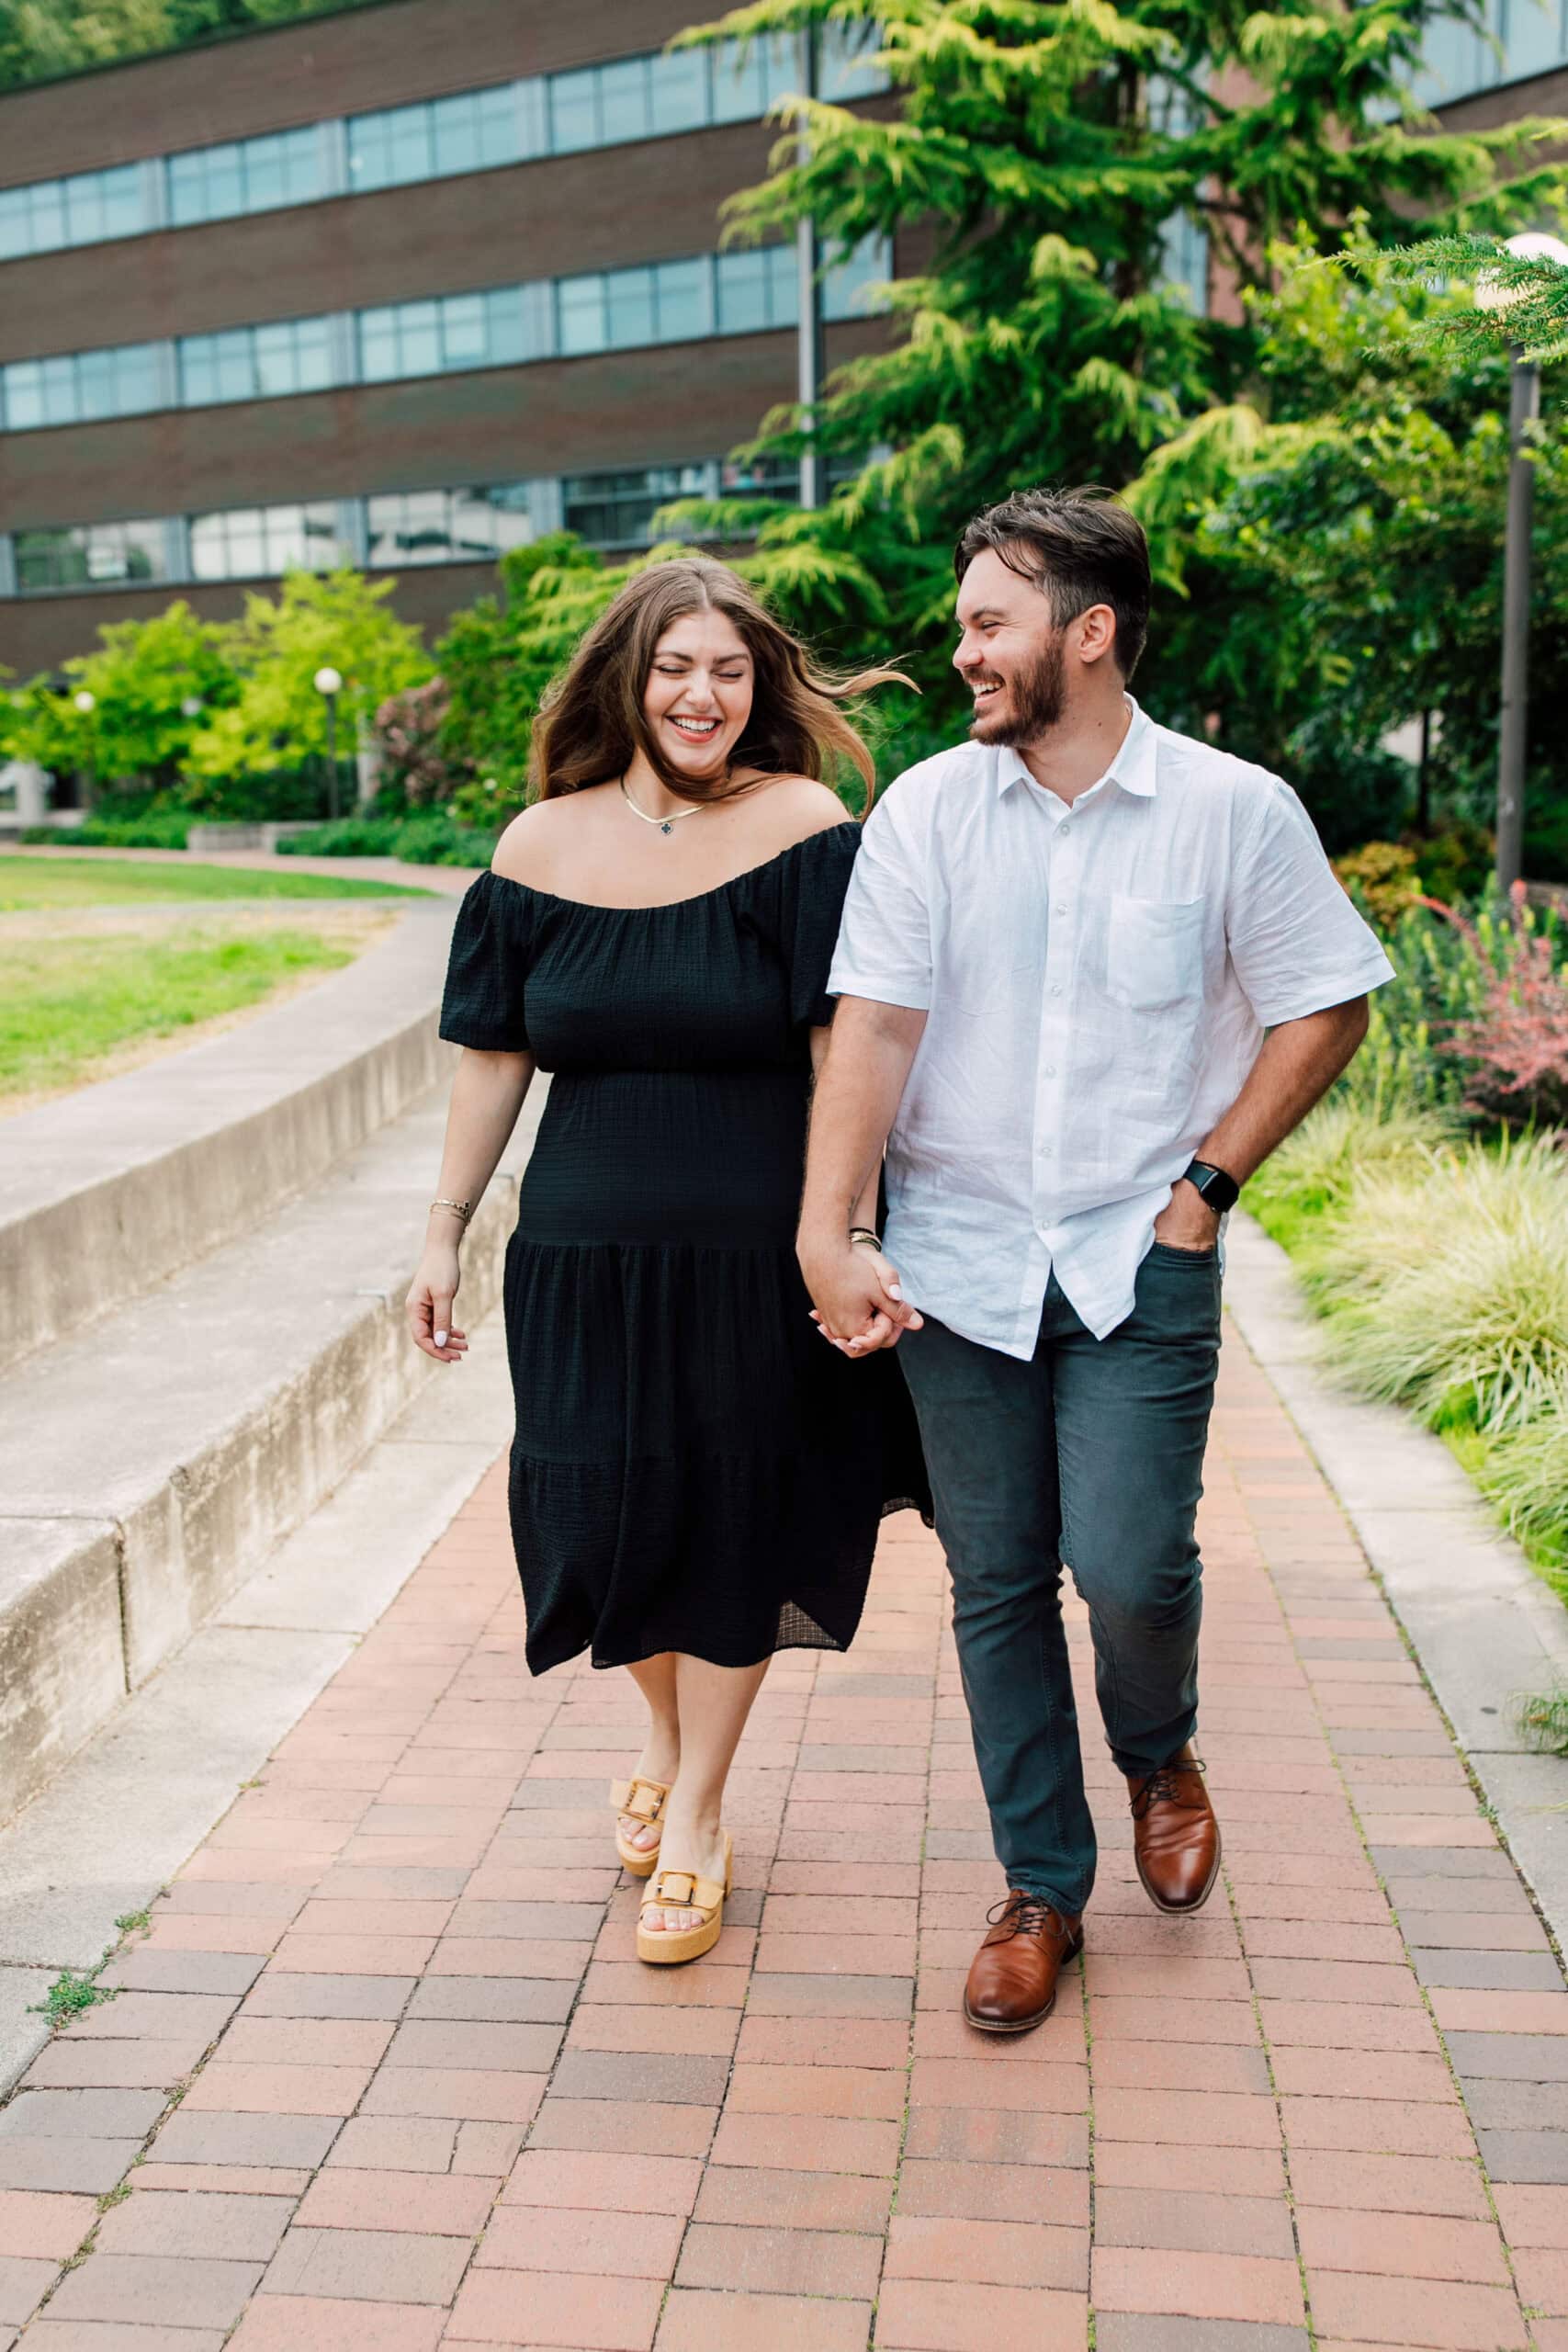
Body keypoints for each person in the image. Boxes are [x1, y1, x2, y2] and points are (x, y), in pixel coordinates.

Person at [797, 486, 1393, 2033]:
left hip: (1142, 1256)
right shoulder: (928, 809)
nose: (965, 651)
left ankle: (1160, 1750)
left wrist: (1206, 1188)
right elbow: (872, 1024)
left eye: (991, 624)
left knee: (1131, 1567)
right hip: (958, 1258)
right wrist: (832, 1227)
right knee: (995, 1581)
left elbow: (1326, 1000)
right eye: (965, 623)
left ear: (1092, 632)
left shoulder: (1232, 811)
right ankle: (1041, 1888)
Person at [407, 559, 927, 1968]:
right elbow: (494, 1053)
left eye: (730, 671)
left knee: (730, 1517)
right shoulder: (533, 848)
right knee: (593, 1517)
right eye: (675, 668)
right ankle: (660, 1719)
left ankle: (696, 1813)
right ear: (626, 680)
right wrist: (445, 1227)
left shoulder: (804, 825)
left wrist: (850, 1229)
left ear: (759, 690)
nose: (702, 695)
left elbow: (847, 1052)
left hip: (753, 1249)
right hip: (577, 1251)